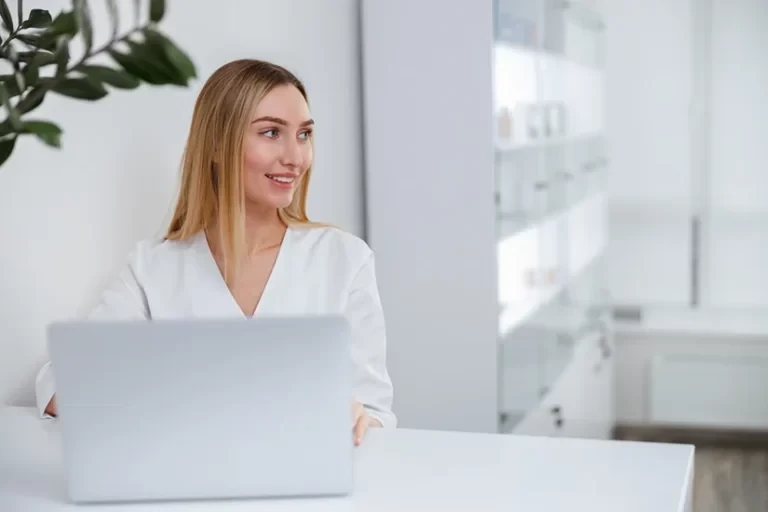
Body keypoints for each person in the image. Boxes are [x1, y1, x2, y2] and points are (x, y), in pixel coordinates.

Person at [35, 59, 396, 445]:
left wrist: (354, 417)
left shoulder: (344, 260)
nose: (295, 157)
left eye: (304, 134)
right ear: (217, 145)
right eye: (272, 132)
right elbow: (61, 381)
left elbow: (375, 414)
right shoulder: (154, 266)